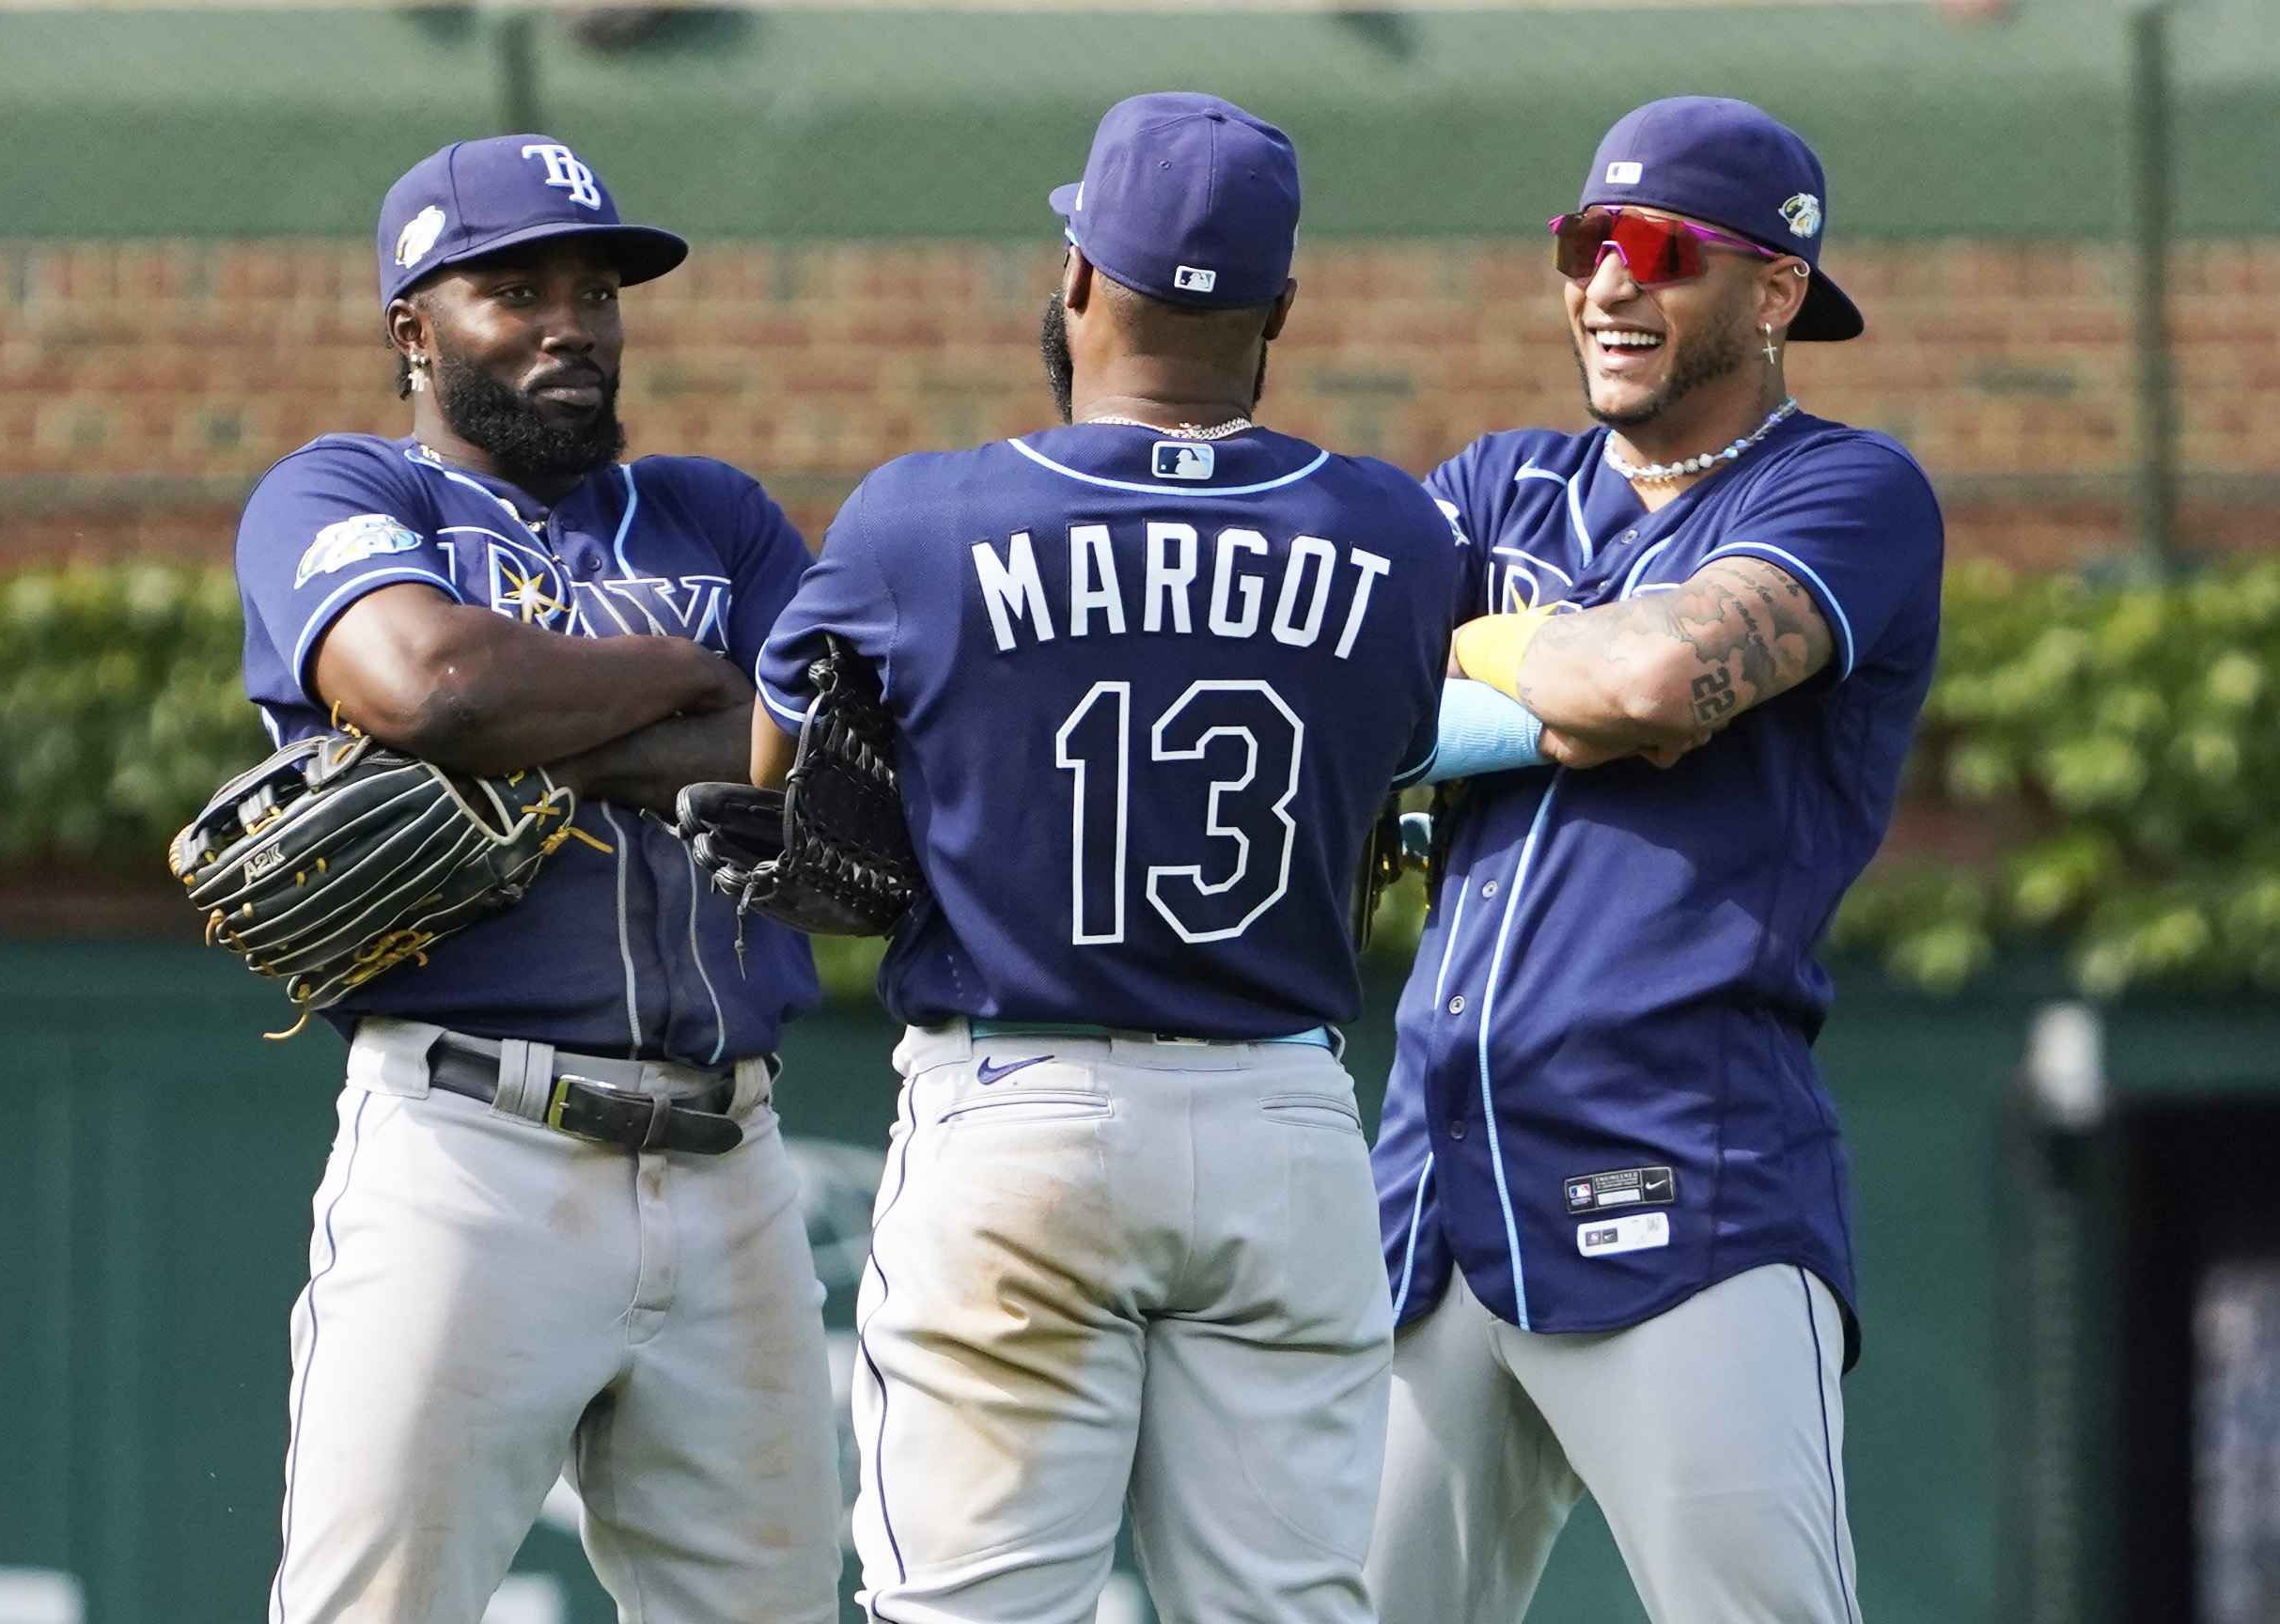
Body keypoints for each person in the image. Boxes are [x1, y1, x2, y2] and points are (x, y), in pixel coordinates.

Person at [752, 93, 1459, 1624]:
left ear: (1078, 277)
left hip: (1025, 1106)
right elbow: (1386, 776)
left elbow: (773, 780)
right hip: (1283, 1108)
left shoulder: (919, 518)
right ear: (1282, 308)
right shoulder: (1399, 533)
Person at [232, 135, 839, 1624]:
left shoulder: (719, 516)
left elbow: (809, 761)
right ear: (412, 329)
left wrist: (545, 732)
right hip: (468, 1150)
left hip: (729, 1164)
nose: (573, 319)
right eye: (513, 288)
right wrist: (686, 677)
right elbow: (428, 685)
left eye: (596, 287)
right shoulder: (341, 490)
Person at [1365, 98, 1944, 1624]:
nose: (1610, 284)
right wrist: (1542, 695)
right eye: (1585, 245)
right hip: (1432, 1192)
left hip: (1685, 1176)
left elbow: (1651, 687)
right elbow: (1335, 694)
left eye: (1662, 251)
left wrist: (1492, 657)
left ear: (1772, 293)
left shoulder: (1849, 492)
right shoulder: (1498, 486)